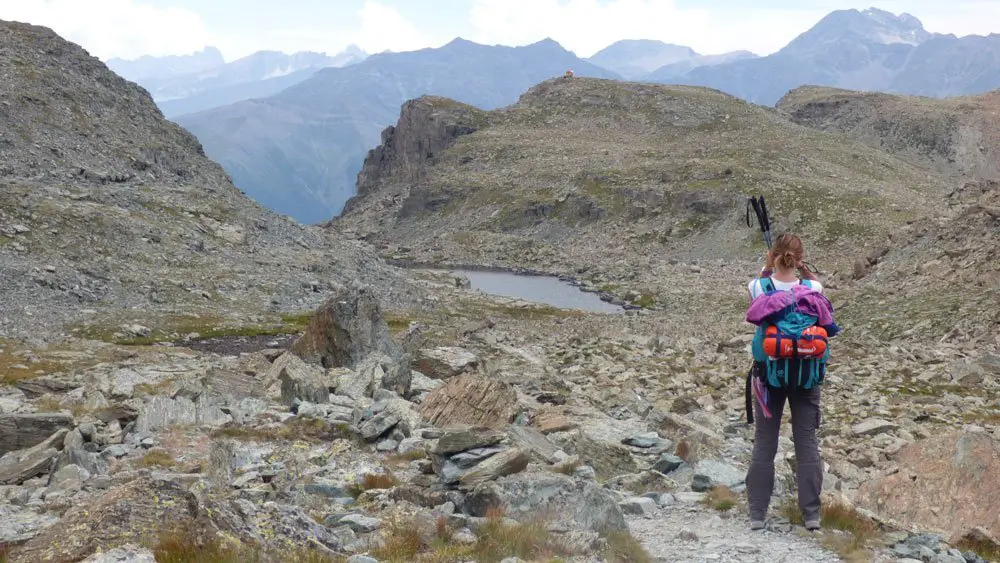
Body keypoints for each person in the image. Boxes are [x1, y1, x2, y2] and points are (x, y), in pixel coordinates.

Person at [745, 233, 825, 532]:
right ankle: (811, 516)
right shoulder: (813, 288)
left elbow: (758, 291)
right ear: (799, 257)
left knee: (765, 443)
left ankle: (756, 514)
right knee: (806, 443)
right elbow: (818, 288)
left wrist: (768, 268)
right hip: (806, 376)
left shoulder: (759, 286)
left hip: (768, 376)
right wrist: (804, 271)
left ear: (773, 255)